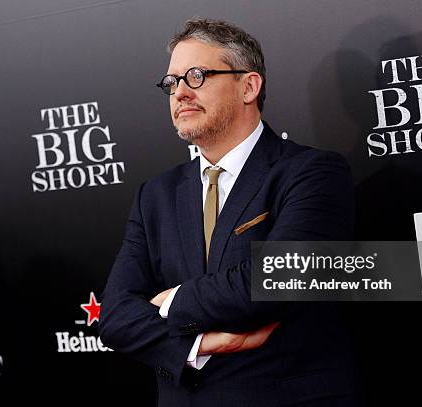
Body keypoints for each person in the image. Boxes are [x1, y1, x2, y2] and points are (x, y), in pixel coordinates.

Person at [100, 18, 360, 407]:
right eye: (171, 83)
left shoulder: (312, 173)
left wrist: (173, 300)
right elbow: (115, 315)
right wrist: (201, 343)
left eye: (197, 75)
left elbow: (278, 280)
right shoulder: (155, 195)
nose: (180, 93)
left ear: (249, 86)